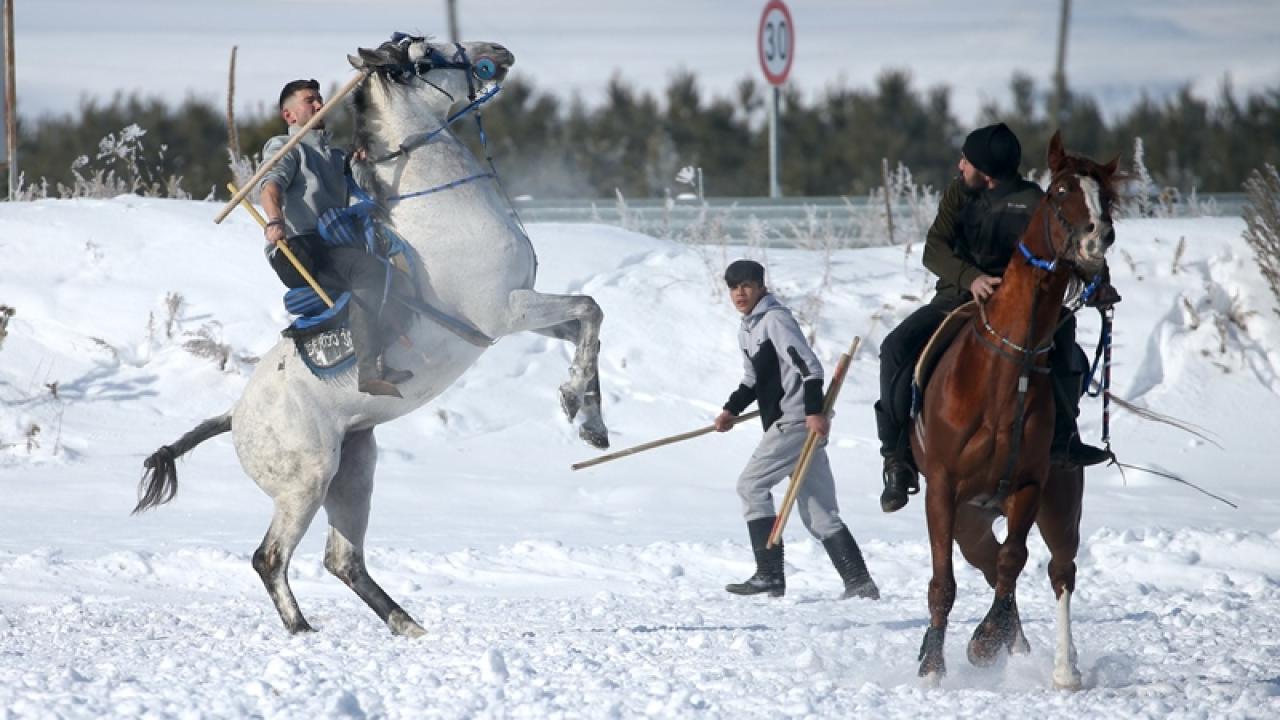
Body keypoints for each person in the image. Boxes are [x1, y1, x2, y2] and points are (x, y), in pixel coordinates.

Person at [874, 122, 1116, 514]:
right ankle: (897, 457)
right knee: (894, 349)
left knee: (1068, 344)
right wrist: (971, 279)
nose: (959, 166)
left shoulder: (1037, 201)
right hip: (956, 300)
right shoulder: (958, 195)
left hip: (1024, 307)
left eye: (965, 161)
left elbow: (1072, 244)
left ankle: (1063, 438)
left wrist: (1098, 280)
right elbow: (934, 248)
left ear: (985, 173)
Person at [715, 260, 879, 600]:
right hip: (792, 422)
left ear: (761, 287)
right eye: (734, 288)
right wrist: (730, 410)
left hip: (795, 422)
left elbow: (810, 367)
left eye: (746, 285)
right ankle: (860, 583)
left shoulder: (775, 319)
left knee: (751, 485)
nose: (739, 293)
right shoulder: (747, 328)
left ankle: (770, 575)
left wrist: (815, 413)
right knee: (820, 515)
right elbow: (752, 380)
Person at [259, 79, 412, 398]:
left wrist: (359, 164)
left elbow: (365, 193)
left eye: (320, 99)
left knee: (393, 275)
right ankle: (370, 372)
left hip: (334, 244)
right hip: (300, 248)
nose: (319, 105)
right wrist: (274, 221)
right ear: (289, 116)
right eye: (309, 100)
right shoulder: (286, 148)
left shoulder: (336, 155)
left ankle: (381, 350)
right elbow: (270, 187)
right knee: (368, 270)